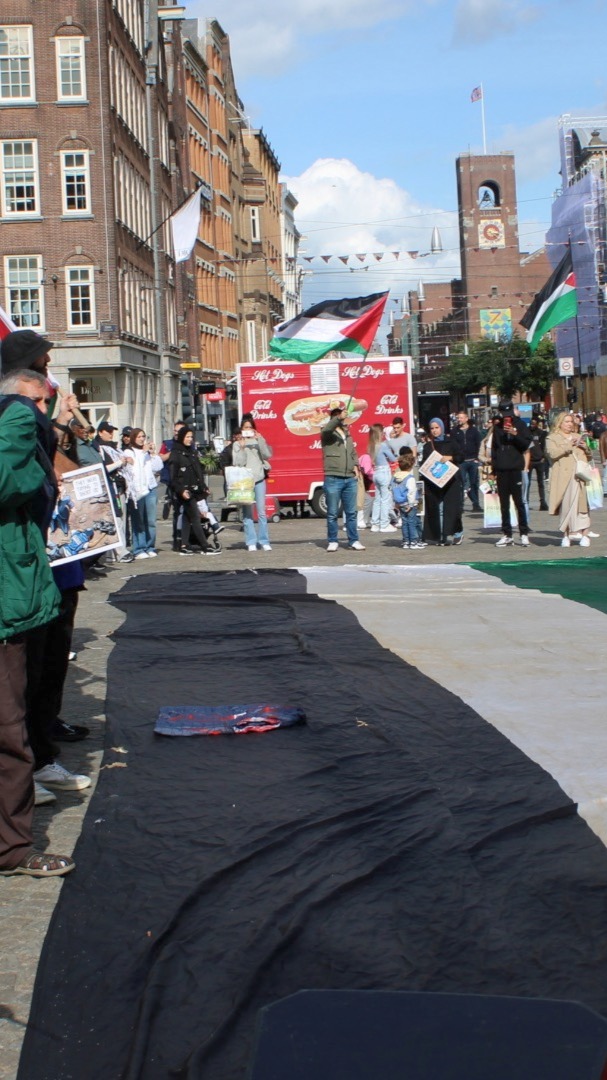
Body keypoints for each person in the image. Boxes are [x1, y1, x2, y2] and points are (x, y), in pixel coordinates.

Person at [0, 373, 75, 877]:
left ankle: (11, 846)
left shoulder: (18, 417)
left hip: (12, 600)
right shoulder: (18, 416)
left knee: (10, 730)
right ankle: (11, 849)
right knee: (9, 732)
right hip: (7, 604)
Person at [168, 427, 221, 556]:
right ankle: (205, 546)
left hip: (195, 490)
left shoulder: (192, 452)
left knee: (187, 517)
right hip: (185, 491)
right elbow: (173, 477)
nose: (190, 439)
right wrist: (181, 490)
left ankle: (184, 545)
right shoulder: (175, 453)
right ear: (181, 437)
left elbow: (198, 472)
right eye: (187, 437)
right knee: (195, 516)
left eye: (191, 437)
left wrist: (204, 487)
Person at [546, 411, 594, 547]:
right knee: (566, 506)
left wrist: (585, 448)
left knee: (583, 507)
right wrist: (568, 445)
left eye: (571, 422)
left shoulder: (578, 436)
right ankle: (566, 536)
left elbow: (589, 456)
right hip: (563, 477)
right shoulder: (552, 438)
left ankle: (585, 535)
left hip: (579, 476)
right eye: (566, 422)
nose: (569, 424)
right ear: (559, 423)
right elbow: (552, 454)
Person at [321, 406, 364, 552]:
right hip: (333, 476)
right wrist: (338, 418)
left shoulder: (347, 432)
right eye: (338, 416)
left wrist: (356, 464)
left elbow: (352, 451)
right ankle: (333, 540)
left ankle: (354, 540)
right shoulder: (327, 431)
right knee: (332, 512)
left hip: (349, 477)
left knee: (351, 512)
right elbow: (327, 429)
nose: (341, 418)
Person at [491, 403, 532, 548]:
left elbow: (526, 445)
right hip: (502, 469)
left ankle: (524, 533)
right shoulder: (497, 427)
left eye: (508, 414)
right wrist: (493, 470)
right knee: (504, 504)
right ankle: (507, 534)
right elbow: (494, 450)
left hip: (515, 469)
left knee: (519, 502)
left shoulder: (520, 424)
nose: (506, 417)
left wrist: (515, 435)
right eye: (504, 414)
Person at [420, 418, 464, 546]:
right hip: (434, 482)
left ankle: (456, 533)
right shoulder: (428, 446)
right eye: (432, 428)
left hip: (451, 480)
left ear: (442, 428)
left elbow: (461, 457)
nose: (434, 431)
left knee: (452, 508)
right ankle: (441, 536)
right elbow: (424, 464)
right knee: (437, 508)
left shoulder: (451, 442)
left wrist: (451, 458)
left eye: (437, 428)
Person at [232, 416, 273, 551]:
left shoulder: (258, 441)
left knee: (261, 512)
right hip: (245, 481)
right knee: (247, 512)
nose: (248, 430)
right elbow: (238, 463)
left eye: (250, 427)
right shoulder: (237, 444)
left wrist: (260, 439)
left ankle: (264, 540)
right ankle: (251, 541)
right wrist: (242, 448)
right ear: (241, 429)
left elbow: (267, 455)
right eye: (246, 428)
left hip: (259, 478)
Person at [123, 428, 163, 559]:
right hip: (137, 490)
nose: (142, 439)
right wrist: (143, 453)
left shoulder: (146, 453)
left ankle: (150, 546)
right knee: (138, 520)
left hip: (150, 488)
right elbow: (135, 468)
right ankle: (139, 548)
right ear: (133, 438)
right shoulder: (129, 452)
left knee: (150, 520)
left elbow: (158, 467)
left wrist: (153, 454)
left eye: (143, 436)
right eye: (139, 437)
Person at [392, 450, 425, 550]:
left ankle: (406, 541)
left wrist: (396, 502)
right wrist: (411, 504)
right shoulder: (410, 478)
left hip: (400, 503)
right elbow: (411, 492)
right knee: (412, 522)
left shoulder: (395, 477)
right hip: (410, 504)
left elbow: (392, 489)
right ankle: (413, 541)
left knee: (404, 523)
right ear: (411, 466)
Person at [368, 423, 398, 532]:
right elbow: (393, 459)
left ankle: (374, 524)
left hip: (376, 472)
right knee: (385, 499)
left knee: (377, 499)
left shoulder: (371, 446)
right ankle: (384, 524)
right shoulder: (383, 445)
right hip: (384, 471)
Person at [453, 411, 482, 511]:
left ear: (466, 418)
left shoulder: (474, 431)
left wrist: (477, 458)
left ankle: (476, 504)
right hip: (461, 462)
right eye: (458, 418)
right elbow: (453, 446)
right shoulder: (455, 431)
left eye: (461, 418)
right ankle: (460, 505)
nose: (459, 420)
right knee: (461, 483)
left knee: (474, 483)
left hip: (473, 460)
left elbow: (478, 444)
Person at [527, 418, 549, 510]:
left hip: (539, 460)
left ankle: (543, 502)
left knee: (541, 483)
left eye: (534, 424)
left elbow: (545, 446)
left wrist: (544, 456)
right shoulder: (527, 432)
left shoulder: (541, 433)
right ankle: (526, 502)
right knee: (527, 483)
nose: (532, 425)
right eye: (531, 423)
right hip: (529, 461)